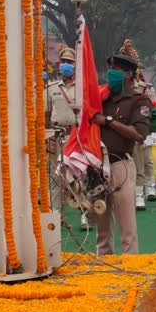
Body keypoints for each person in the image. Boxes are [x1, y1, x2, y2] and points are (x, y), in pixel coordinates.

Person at [90, 52, 152, 254]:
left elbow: (139, 134)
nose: (111, 74)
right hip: (98, 165)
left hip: (121, 166)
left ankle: (131, 265)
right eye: (110, 69)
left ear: (128, 74)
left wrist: (108, 121)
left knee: (126, 224)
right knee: (101, 221)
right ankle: (104, 262)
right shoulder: (102, 99)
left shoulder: (138, 101)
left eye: (116, 70)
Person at [45, 45, 89, 230]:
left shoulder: (83, 88)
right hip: (56, 136)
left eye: (69, 62)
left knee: (79, 176)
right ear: (58, 64)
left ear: (75, 65)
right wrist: (47, 135)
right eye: (63, 62)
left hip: (76, 136)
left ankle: (84, 214)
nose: (66, 65)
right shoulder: (51, 88)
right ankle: (56, 213)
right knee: (54, 177)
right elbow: (46, 115)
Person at [116, 39, 156, 210]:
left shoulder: (145, 87)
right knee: (133, 161)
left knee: (146, 160)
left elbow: (154, 108)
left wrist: (153, 132)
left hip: (143, 129)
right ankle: (136, 192)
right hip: (126, 130)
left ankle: (148, 189)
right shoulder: (118, 87)